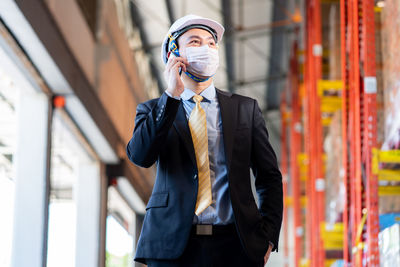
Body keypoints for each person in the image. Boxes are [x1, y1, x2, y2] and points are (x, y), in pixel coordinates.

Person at [126, 14, 283, 267]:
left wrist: (268, 239)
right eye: (196, 42)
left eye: (211, 43)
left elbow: (269, 176)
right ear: (173, 54)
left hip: (236, 246)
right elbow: (140, 156)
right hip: (172, 247)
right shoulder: (154, 109)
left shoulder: (245, 109)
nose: (207, 49)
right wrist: (171, 96)